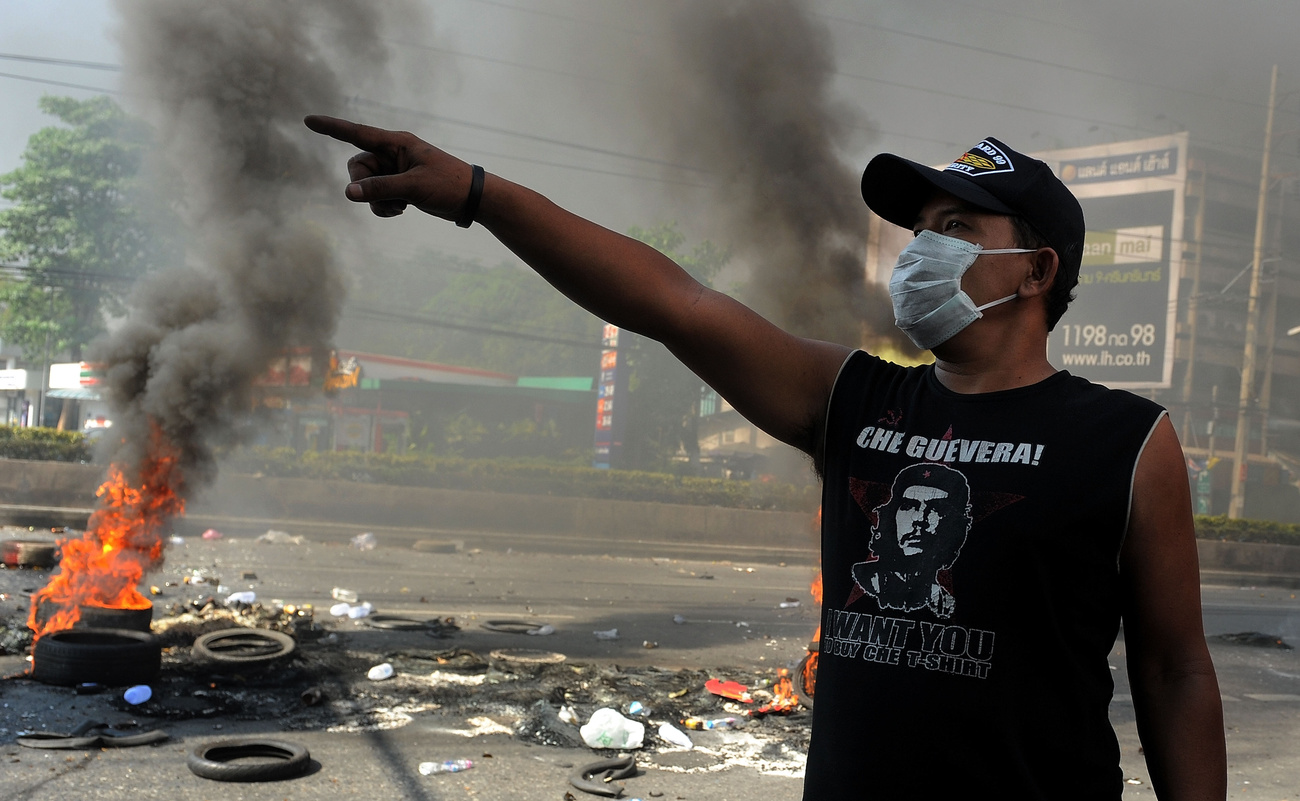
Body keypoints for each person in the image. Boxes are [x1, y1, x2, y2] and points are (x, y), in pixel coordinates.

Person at [304, 116, 1226, 799]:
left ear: (1037, 270)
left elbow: (1175, 669)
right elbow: (675, 302)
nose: (922, 251)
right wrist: (475, 193)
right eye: (921, 230)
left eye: (957, 229)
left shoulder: (1126, 441)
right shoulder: (858, 402)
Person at [851, 461, 972, 618]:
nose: (919, 518)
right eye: (908, 506)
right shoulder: (863, 578)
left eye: (935, 509)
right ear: (891, 516)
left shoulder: (944, 603)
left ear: (954, 526)